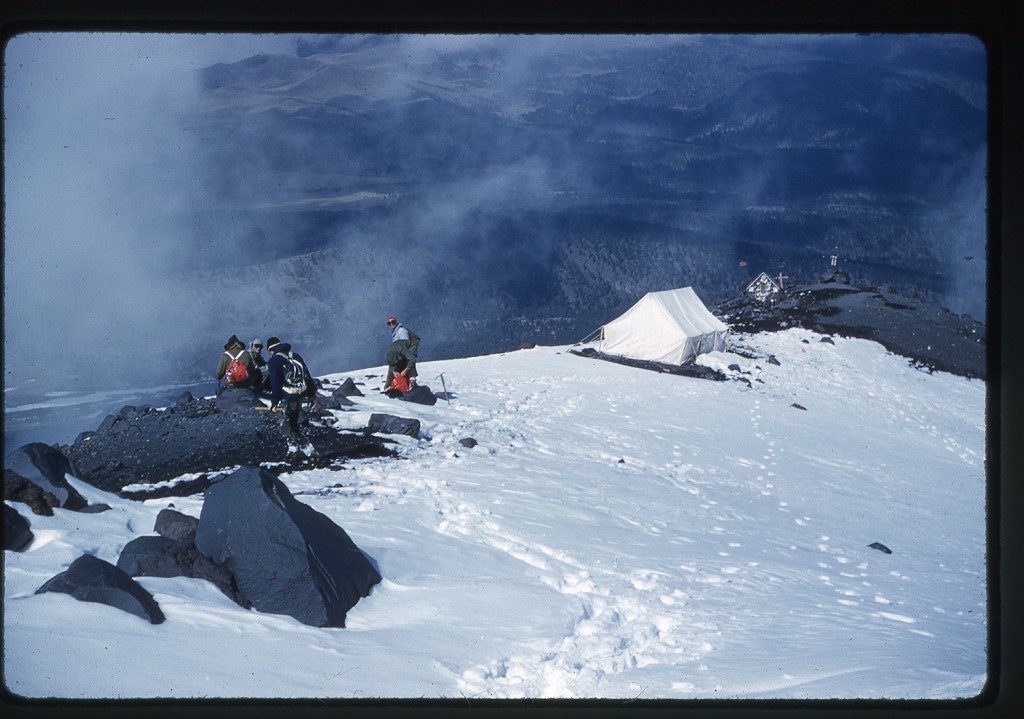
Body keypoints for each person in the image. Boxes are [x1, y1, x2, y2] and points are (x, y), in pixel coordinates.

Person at [265, 337, 313, 442]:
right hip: (301, 391)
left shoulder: (274, 361)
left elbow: (275, 382)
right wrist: (311, 395)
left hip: (288, 395)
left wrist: (275, 401)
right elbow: (307, 376)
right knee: (296, 417)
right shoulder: (296, 356)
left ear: (270, 350)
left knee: (288, 420)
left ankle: (294, 445)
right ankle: (301, 439)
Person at [384, 316, 419, 390]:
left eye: (393, 322)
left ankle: (411, 381)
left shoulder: (401, 330)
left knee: (409, 361)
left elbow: (405, 343)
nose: (391, 324)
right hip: (400, 352)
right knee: (393, 364)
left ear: (396, 322)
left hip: (404, 350)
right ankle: (389, 385)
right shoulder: (395, 332)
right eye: (389, 323)